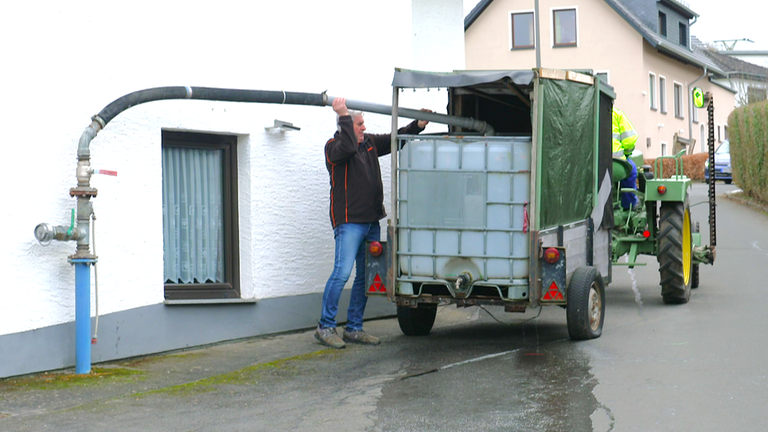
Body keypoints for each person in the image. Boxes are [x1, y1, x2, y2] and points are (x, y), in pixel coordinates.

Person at [316, 97, 429, 349]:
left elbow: (394, 139)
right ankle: (325, 327)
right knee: (342, 273)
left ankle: (354, 328)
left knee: (364, 277)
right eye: (358, 124)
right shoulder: (333, 148)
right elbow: (346, 148)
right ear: (345, 126)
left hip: (370, 223)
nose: (363, 128)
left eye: (363, 124)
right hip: (349, 224)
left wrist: (417, 125)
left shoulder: (368, 144)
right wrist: (344, 114)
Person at [612, 107, 639, 209]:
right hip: (615, 161)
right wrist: (627, 153)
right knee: (631, 171)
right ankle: (629, 204)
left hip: (592, 163)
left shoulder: (585, 111)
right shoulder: (616, 114)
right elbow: (629, 140)